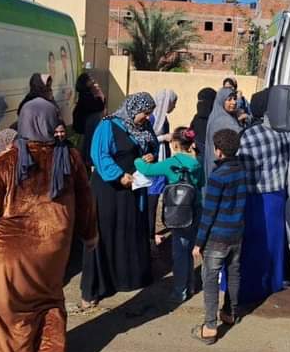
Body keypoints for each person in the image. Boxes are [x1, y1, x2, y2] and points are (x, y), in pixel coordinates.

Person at [0, 98, 97, 352]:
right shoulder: (70, 156)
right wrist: (90, 235)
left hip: (12, 257)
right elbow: (86, 201)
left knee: (10, 320)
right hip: (54, 252)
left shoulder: (5, 163)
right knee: (50, 301)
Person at [81, 92, 158, 308]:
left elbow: (153, 145)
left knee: (128, 230)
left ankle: (127, 278)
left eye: (149, 113)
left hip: (133, 188)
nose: (147, 117)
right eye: (145, 113)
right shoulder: (108, 125)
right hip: (109, 188)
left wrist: (151, 155)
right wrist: (118, 175)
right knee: (105, 233)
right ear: (134, 109)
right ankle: (96, 288)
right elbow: (100, 154)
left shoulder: (145, 127)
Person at [134, 127, 204, 303]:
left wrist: (138, 159)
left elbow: (147, 170)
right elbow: (201, 183)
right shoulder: (197, 162)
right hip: (196, 208)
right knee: (189, 249)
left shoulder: (170, 163)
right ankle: (190, 285)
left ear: (175, 144)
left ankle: (180, 291)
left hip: (178, 210)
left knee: (179, 252)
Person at [191, 129, 247, 345]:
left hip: (217, 237)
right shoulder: (241, 170)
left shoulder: (217, 177)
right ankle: (230, 312)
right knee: (233, 273)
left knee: (210, 278)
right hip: (236, 233)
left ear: (219, 151)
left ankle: (209, 327)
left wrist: (198, 243)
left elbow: (209, 213)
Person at [237, 89, 290, 304]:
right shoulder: (283, 131)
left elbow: (242, 165)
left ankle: (253, 287)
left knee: (254, 243)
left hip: (256, 196)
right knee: (275, 240)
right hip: (278, 194)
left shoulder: (251, 135)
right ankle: (274, 282)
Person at [147, 89, 179, 246]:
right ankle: (150, 234)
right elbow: (148, 138)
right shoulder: (152, 118)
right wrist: (164, 137)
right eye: (173, 103)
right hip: (155, 163)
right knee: (152, 200)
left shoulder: (163, 118)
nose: (174, 106)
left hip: (162, 160)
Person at [203, 87, 242, 181]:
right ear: (221, 101)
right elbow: (241, 136)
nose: (234, 102)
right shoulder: (224, 119)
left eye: (235, 98)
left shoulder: (218, 114)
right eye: (229, 99)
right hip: (223, 167)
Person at [72, 73, 106, 164]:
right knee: (83, 152)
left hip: (85, 129)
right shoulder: (85, 96)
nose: (93, 80)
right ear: (85, 82)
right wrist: (100, 96)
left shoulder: (87, 94)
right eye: (90, 79)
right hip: (84, 130)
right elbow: (99, 106)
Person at [190, 88, 216, 160]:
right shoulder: (197, 118)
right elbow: (191, 132)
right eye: (199, 101)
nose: (200, 104)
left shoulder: (217, 119)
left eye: (203, 101)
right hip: (199, 155)